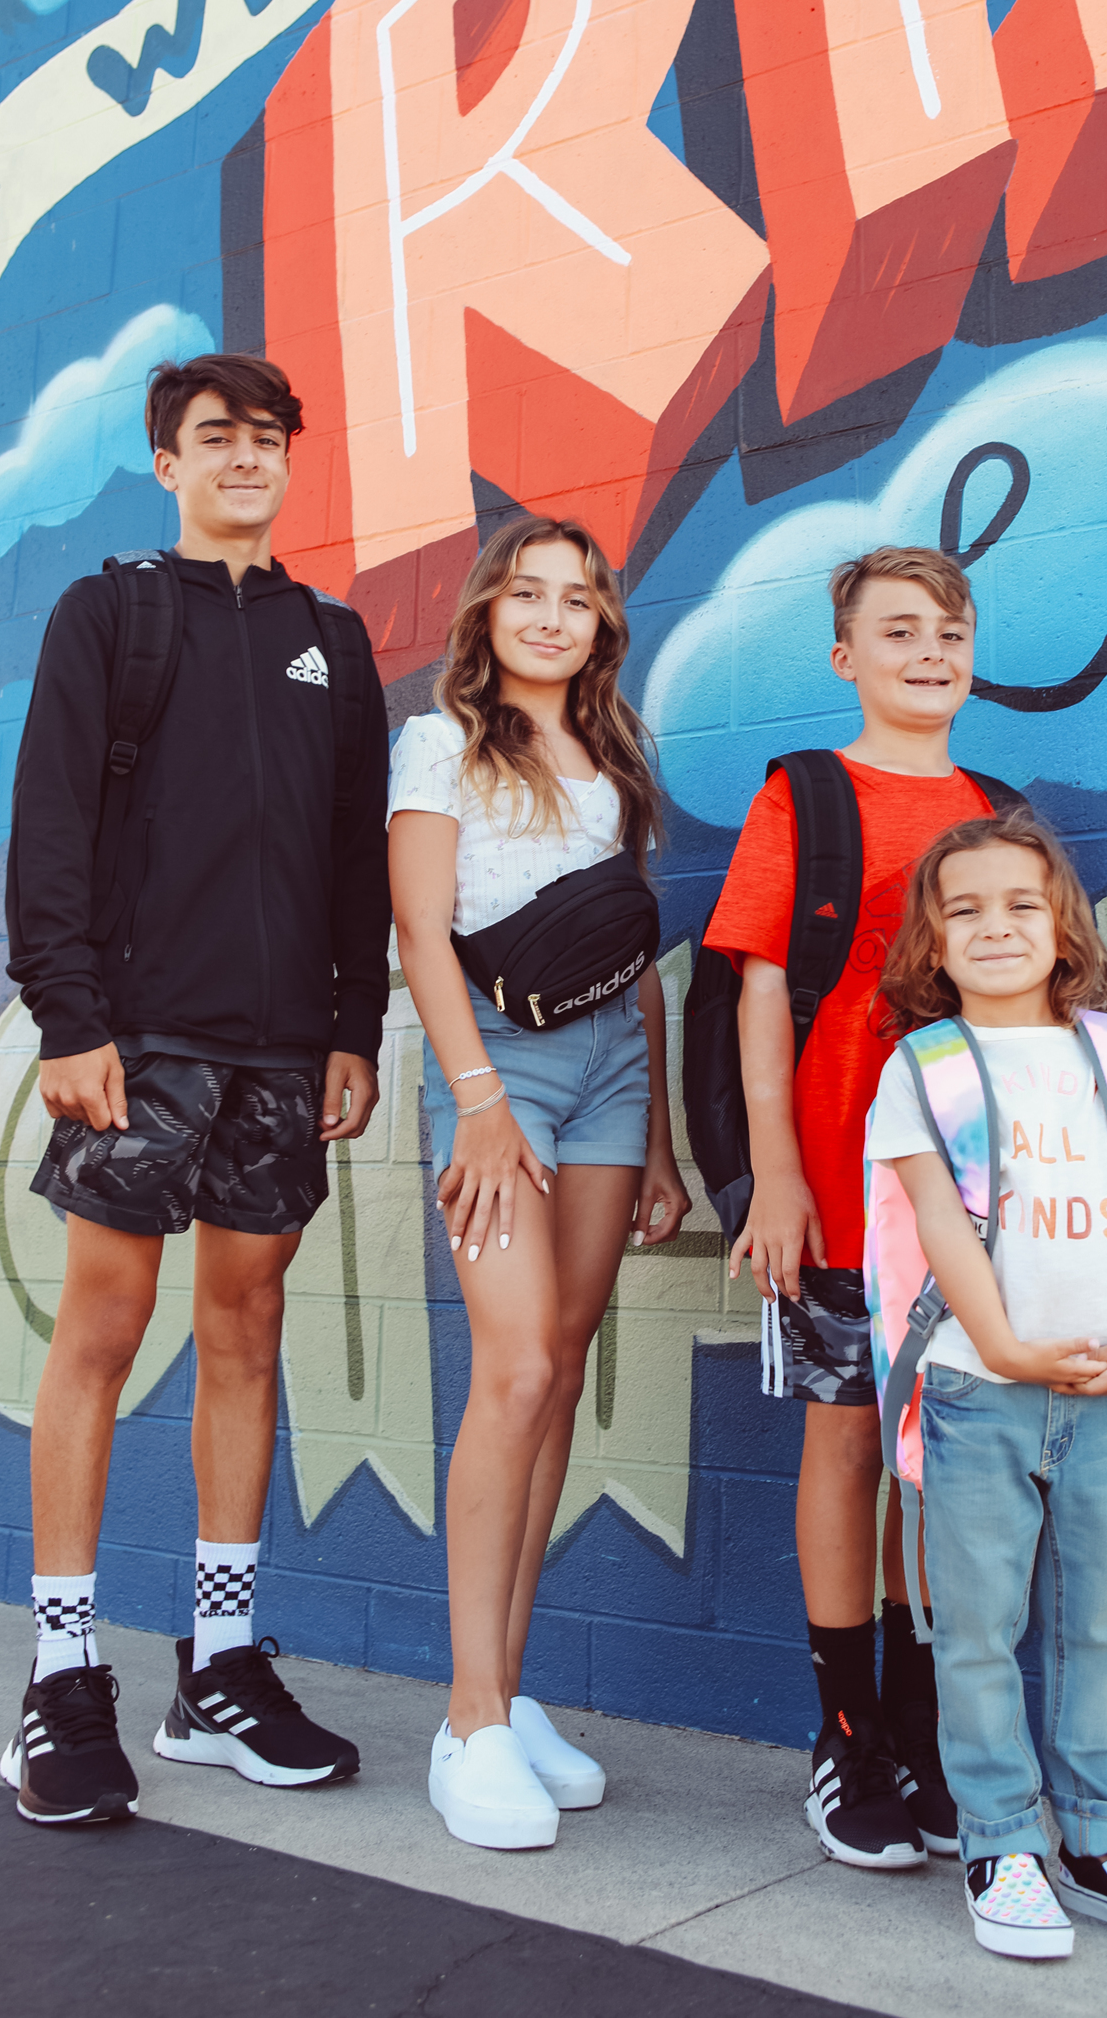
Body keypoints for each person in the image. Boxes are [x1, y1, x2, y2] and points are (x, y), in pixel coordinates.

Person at [0, 352, 390, 1825]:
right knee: (101, 1330)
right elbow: (48, 823)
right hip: (137, 1043)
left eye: (268, 437)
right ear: (167, 461)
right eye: (214, 436)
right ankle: (58, 1677)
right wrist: (68, 1016)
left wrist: (353, 1022)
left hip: (286, 1049)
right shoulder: (110, 613)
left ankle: (218, 1666)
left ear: (292, 460)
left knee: (247, 1331)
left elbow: (356, 851)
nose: (245, 457)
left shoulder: (332, 641)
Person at [868, 807, 1107, 1959]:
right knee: (976, 1627)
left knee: (1095, 1622)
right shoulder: (922, 1065)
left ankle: (1099, 1842)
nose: (994, 926)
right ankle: (999, 1843)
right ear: (928, 940)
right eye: (961, 910)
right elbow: (937, 1223)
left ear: (1062, 926)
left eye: (1020, 903)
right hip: (980, 1390)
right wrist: (1009, 1348)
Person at [391, 515, 690, 1852]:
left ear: (599, 626)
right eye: (529, 593)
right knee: (509, 1370)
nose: (553, 617)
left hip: (612, 1077)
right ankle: (462, 1721)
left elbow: (633, 961)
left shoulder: (615, 759)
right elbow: (418, 932)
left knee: (560, 1370)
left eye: (576, 599)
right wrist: (478, 1107)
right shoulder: (438, 741)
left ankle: (504, 1698)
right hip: (493, 1074)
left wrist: (666, 1142)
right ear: (488, 610)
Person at [702, 546, 998, 1868]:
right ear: (847, 660)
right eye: (896, 632)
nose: (926, 650)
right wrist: (769, 1176)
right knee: (843, 1444)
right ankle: (844, 1736)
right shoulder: (806, 796)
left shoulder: (998, 813)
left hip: (968, 1207)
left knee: (938, 1462)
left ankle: (921, 1732)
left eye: (946, 630)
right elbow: (758, 994)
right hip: (832, 1194)